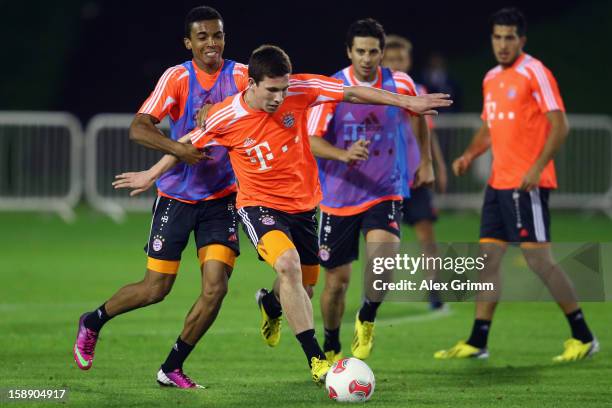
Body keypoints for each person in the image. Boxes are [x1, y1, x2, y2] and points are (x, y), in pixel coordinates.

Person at [114, 44, 452, 383]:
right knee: (287, 264)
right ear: (252, 84)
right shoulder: (225, 115)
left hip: (303, 207)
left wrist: (407, 102)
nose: (279, 97)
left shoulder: (301, 90)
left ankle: (270, 305)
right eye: (272, 90)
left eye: (284, 88)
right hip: (258, 205)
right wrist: (150, 174)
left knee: (302, 289)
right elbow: (189, 141)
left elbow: (353, 92)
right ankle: (317, 360)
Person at [73, 6, 250, 388]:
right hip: (176, 197)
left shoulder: (240, 75)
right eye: (202, 37)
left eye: (217, 35)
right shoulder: (177, 78)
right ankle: (93, 320)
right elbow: (139, 128)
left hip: (221, 198)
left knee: (215, 287)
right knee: (156, 289)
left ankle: (172, 366)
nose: (211, 43)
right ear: (189, 43)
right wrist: (178, 149)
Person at [434, 7, 598, 362]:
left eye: (510, 37)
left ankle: (583, 335)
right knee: (487, 261)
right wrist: (468, 155)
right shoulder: (492, 76)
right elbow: (490, 127)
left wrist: (537, 168)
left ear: (522, 40)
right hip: (498, 184)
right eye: (497, 37)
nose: (503, 44)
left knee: (539, 261)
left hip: (526, 185)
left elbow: (560, 125)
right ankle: (479, 341)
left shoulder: (535, 72)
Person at [303, 19, 433, 363]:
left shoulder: (399, 82)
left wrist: (426, 161)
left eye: (373, 51)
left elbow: (419, 116)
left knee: (383, 260)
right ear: (349, 52)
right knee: (337, 283)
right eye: (360, 51)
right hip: (338, 195)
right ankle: (331, 342)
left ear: (381, 52)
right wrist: (343, 154)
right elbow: (311, 140)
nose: (367, 58)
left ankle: (367, 316)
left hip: (384, 188)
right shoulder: (333, 87)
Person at [383, 34, 448, 310]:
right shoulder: (376, 92)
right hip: (385, 179)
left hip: (415, 175)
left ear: (408, 60)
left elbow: (428, 135)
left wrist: (435, 165)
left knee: (425, 234)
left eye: (401, 58)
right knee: (382, 239)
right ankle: (375, 291)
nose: (397, 63)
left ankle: (433, 288)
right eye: (391, 58)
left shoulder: (418, 90)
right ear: (382, 60)